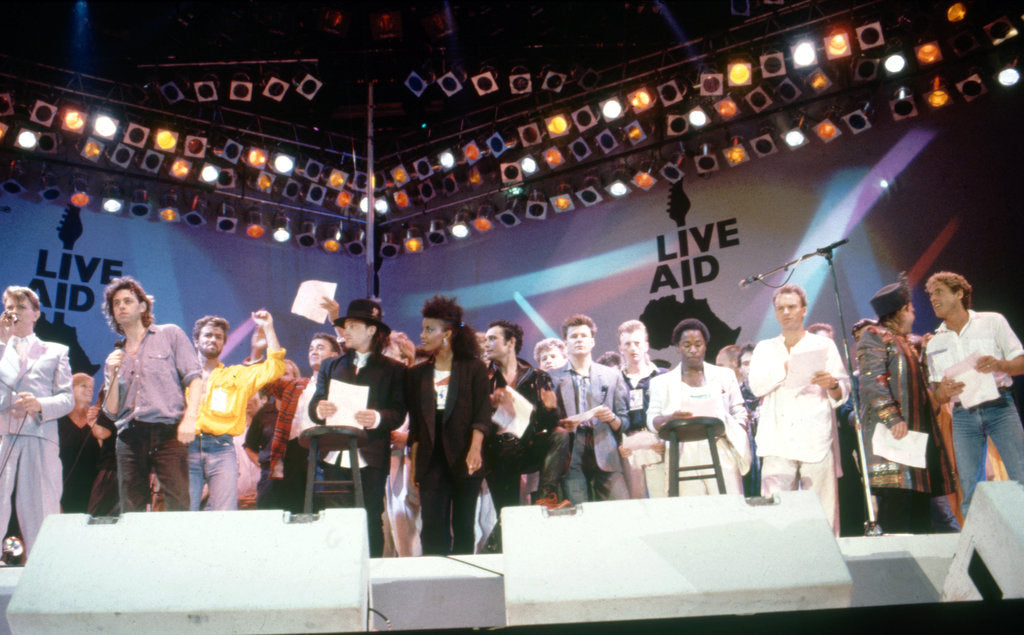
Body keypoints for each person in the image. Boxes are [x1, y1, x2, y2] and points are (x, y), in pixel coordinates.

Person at [748, 284, 849, 534]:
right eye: (780, 308)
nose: (786, 312)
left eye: (792, 307)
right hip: (777, 440)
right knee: (777, 511)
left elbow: (842, 389)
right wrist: (786, 366)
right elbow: (756, 387)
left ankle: (830, 562)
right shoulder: (765, 348)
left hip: (816, 436)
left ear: (803, 310)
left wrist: (832, 384)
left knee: (823, 510)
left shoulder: (822, 345)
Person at [310, 299, 407, 558]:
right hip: (334, 454)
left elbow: (398, 412)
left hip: (371, 454)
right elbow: (315, 402)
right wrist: (320, 409)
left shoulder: (393, 370)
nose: (347, 331)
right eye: (346, 325)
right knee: (337, 517)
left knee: (370, 515)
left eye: (353, 325)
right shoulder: (332, 365)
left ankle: (371, 576)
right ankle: (341, 574)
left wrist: (376, 417)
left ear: (372, 330)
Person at [858, 280, 957, 533]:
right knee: (898, 504)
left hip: (918, 435)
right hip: (895, 435)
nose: (913, 313)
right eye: (911, 308)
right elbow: (872, 381)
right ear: (903, 310)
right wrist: (893, 418)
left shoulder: (907, 343)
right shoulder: (875, 335)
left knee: (921, 504)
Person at [924, 271, 1024, 516]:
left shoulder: (992, 321)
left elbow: (1020, 363)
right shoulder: (935, 343)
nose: (933, 299)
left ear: (959, 293)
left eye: (939, 293)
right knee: (970, 487)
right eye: (930, 295)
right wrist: (943, 392)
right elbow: (937, 395)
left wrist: (999, 365)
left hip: (1000, 406)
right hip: (963, 415)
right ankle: (978, 549)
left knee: (1021, 475)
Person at [101, 276, 202, 512]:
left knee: (178, 504)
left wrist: (190, 418)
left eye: (128, 301)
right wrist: (114, 372)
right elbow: (112, 411)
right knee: (131, 507)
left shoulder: (170, 334)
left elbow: (195, 379)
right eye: (116, 303)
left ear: (143, 306)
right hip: (129, 436)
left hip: (168, 432)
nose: (121, 306)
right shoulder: (114, 358)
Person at [406, 295, 490, 555]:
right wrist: (414, 468)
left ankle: (464, 579)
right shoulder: (416, 375)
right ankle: (434, 579)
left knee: (464, 523)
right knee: (431, 524)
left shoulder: (474, 368)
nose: (422, 335)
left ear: (448, 334)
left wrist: (475, 449)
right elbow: (417, 427)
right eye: (423, 328)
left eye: (430, 329)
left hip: (466, 455)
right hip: (431, 460)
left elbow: (482, 413)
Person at [0, 286, 73, 558]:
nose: (14, 312)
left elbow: (68, 399)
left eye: (20, 307)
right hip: (3, 434)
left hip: (39, 435)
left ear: (36, 314)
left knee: (40, 504)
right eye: (9, 307)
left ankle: (43, 565)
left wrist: (40, 404)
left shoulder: (55, 351)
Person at [189, 312, 284, 511]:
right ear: (196, 340)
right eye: (207, 335)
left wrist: (268, 326)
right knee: (184, 512)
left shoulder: (237, 375)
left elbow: (275, 367)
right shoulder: (181, 373)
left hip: (222, 448)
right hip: (186, 447)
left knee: (224, 513)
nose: (213, 339)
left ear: (224, 343)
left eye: (218, 337)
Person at [647, 319, 750, 495]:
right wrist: (669, 419)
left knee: (729, 508)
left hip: (721, 448)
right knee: (695, 511)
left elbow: (739, 411)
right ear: (677, 347)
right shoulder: (660, 383)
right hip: (683, 453)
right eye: (686, 345)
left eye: (698, 344)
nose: (693, 350)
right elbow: (651, 419)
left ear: (705, 346)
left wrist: (735, 432)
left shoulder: (724, 375)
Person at [482, 319, 568, 528]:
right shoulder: (483, 378)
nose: (487, 344)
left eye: (492, 339)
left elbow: (549, 423)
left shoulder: (537, 376)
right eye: (485, 340)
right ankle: (496, 548)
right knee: (507, 516)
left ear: (510, 343)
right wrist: (493, 406)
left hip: (528, 445)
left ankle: (547, 495)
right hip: (497, 452)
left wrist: (550, 409)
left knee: (560, 434)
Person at [254, 333, 342, 513]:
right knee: (292, 513)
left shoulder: (342, 385)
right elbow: (264, 381)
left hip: (330, 455)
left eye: (320, 347)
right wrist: (258, 350)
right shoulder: (298, 385)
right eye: (311, 348)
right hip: (296, 457)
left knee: (325, 510)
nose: (313, 351)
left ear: (334, 355)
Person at [550, 314, 629, 505]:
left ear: (592, 341)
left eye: (584, 336)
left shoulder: (611, 376)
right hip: (570, 453)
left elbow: (624, 422)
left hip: (605, 450)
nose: (579, 340)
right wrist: (560, 425)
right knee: (579, 514)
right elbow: (546, 421)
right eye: (574, 336)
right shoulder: (552, 378)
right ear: (565, 342)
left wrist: (611, 418)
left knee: (621, 509)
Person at [616, 319, 665, 498]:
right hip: (629, 446)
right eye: (627, 344)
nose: (633, 348)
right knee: (637, 504)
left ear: (646, 345)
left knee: (663, 500)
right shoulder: (615, 380)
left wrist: (665, 441)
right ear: (621, 348)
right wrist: (619, 445)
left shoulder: (662, 376)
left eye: (637, 343)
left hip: (657, 443)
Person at [58, 372, 101, 513]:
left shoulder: (97, 418)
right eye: (84, 386)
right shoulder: (58, 420)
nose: (90, 390)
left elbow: (104, 450)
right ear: (71, 389)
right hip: (64, 487)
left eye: (91, 387)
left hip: (93, 487)